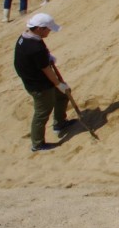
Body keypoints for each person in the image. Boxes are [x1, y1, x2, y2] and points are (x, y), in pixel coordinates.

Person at [14, 13, 75, 152]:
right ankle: (37, 144)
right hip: (39, 85)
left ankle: (60, 123)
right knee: (42, 113)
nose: (49, 32)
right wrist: (58, 84)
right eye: (48, 29)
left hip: (36, 79)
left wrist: (47, 56)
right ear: (40, 29)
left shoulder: (26, 36)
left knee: (63, 95)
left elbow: (41, 57)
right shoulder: (35, 48)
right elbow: (47, 70)